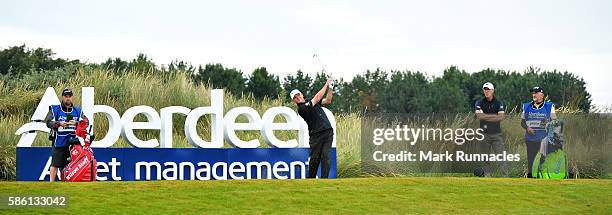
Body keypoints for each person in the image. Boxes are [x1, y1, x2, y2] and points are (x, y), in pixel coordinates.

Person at [291, 78, 334, 178]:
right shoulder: (301, 108)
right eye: (295, 97)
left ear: (301, 94)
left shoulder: (310, 101)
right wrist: (326, 83)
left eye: (298, 95)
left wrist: (330, 88)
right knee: (315, 159)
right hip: (316, 135)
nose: (297, 97)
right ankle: (311, 179)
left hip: (327, 131)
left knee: (326, 156)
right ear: (294, 101)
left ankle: (324, 180)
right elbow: (318, 97)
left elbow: (328, 100)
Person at [44, 88, 88, 182]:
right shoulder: (55, 109)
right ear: (63, 97)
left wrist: (76, 123)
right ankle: (51, 184)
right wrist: (58, 123)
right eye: (66, 96)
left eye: (69, 96)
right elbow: (48, 122)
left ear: (72, 97)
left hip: (73, 144)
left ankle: (67, 183)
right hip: (59, 142)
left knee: (70, 165)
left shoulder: (78, 110)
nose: (68, 98)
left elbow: (86, 122)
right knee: (55, 164)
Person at [474, 82, 508, 177]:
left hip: (496, 134)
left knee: (501, 157)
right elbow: (479, 116)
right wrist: (494, 116)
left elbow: (501, 117)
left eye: (488, 89)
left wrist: (485, 116)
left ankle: (505, 177)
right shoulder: (479, 102)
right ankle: (487, 177)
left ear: (492, 90)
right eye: (485, 89)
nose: (486, 91)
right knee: (485, 158)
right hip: (484, 134)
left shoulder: (498, 103)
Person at [521, 86, 556, 178]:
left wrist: (549, 126)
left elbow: (554, 120)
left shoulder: (549, 106)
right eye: (533, 93)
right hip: (530, 139)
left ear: (542, 95)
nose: (534, 95)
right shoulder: (526, 106)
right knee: (531, 161)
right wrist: (527, 128)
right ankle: (530, 180)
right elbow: (522, 122)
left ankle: (542, 180)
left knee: (543, 160)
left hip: (544, 139)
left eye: (536, 93)